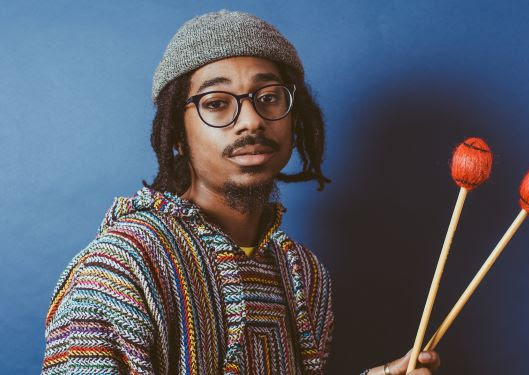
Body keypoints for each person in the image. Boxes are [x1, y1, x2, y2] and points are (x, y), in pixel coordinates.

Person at [42, 10, 441, 375]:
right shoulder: (122, 268)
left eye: (268, 98)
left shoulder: (303, 274)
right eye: (216, 103)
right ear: (176, 134)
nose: (251, 121)